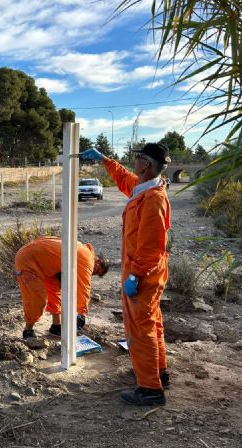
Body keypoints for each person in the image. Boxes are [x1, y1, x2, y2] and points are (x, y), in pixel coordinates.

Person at [81, 143, 171, 407]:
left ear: (146, 165)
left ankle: (150, 389)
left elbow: (152, 246)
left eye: (138, 158)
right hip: (146, 271)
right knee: (152, 323)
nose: (134, 162)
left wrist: (137, 276)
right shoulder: (145, 189)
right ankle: (158, 373)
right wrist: (105, 160)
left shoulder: (153, 198)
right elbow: (123, 178)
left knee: (140, 329)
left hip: (144, 274)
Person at [14, 236, 108, 339]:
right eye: (97, 272)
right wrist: (81, 313)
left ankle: (56, 326)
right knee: (36, 298)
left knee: (55, 291)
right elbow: (84, 287)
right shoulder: (87, 258)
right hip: (28, 260)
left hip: (41, 261)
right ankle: (28, 331)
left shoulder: (81, 248)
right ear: (99, 263)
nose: (93, 274)